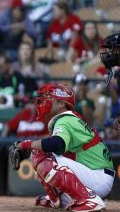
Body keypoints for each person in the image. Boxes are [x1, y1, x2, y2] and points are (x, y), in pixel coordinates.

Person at [10, 83, 114, 211]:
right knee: (39, 152)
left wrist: (26, 144)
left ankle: (89, 199)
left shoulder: (66, 120)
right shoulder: (68, 119)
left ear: (61, 104)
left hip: (98, 177)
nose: (44, 101)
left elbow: (56, 143)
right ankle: (57, 199)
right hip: (95, 174)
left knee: (40, 154)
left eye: (49, 98)